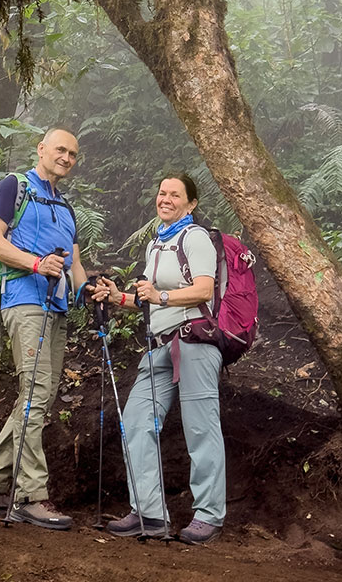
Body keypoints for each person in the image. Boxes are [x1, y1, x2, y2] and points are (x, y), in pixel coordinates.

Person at [93, 173, 226, 545]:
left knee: (201, 429)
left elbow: (203, 289)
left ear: (191, 203)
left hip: (194, 342)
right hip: (160, 345)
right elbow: (148, 298)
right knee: (136, 421)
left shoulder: (195, 237)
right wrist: (118, 296)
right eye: (162, 193)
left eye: (175, 194)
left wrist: (161, 297)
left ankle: (209, 515)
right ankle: (149, 512)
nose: (165, 199)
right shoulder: (157, 244)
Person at [0, 126, 87, 530]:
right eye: (60, 149)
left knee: (39, 397)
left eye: (72, 153)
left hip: (56, 308)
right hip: (24, 300)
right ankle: (29, 496)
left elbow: (74, 265)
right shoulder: (14, 186)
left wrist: (92, 291)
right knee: (35, 392)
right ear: (41, 149)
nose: (66, 157)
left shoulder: (66, 209)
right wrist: (36, 263)